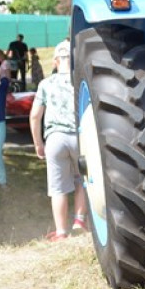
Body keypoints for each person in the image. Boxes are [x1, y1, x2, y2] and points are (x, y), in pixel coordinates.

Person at [30, 43, 88, 241]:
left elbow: (35, 116)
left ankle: (61, 231)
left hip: (55, 139)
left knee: (58, 188)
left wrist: (38, 143)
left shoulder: (45, 84)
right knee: (83, 180)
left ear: (56, 61)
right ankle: (80, 220)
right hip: (79, 137)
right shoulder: (81, 82)